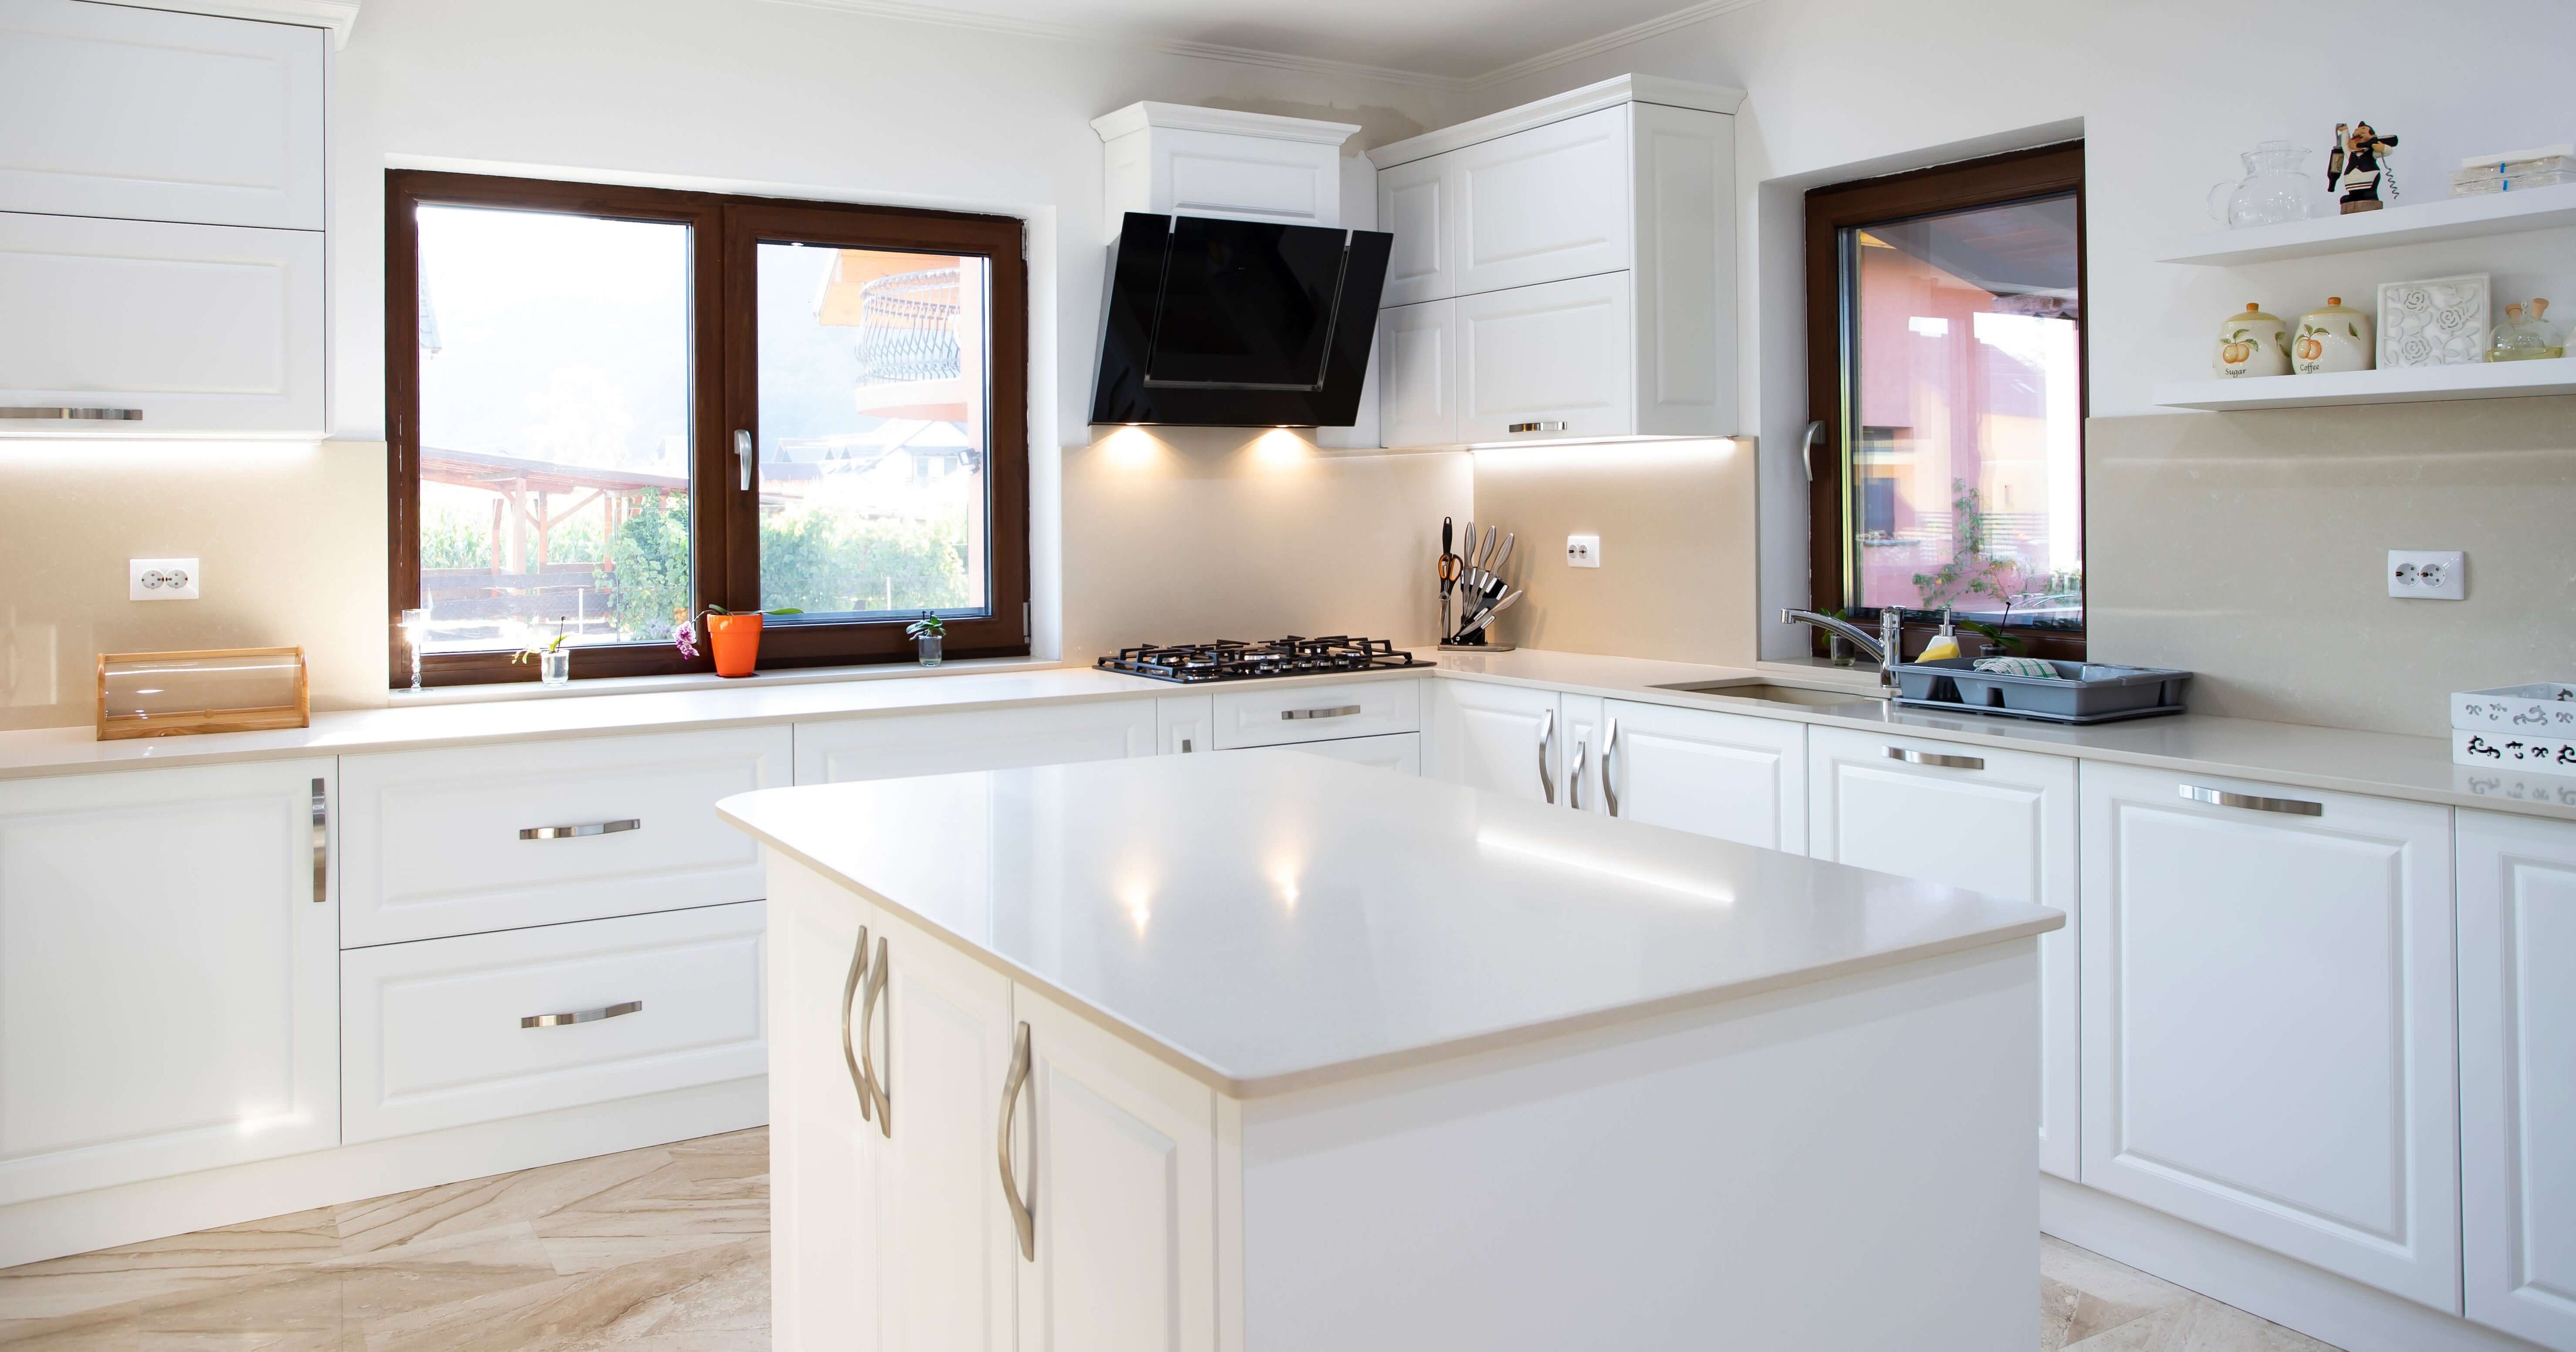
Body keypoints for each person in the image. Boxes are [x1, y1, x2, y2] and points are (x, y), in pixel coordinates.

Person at [2326, 121, 2400, 213]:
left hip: (2369, 184)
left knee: (2368, 195)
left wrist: (2383, 148)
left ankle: (2369, 194)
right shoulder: (2351, 155)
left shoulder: (2372, 153)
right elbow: (2345, 145)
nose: (2357, 139)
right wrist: (2345, 131)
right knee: (2350, 198)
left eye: (2362, 135)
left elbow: (2389, 151)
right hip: (2352, 186)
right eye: (2354, 136)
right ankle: (2353, 196)